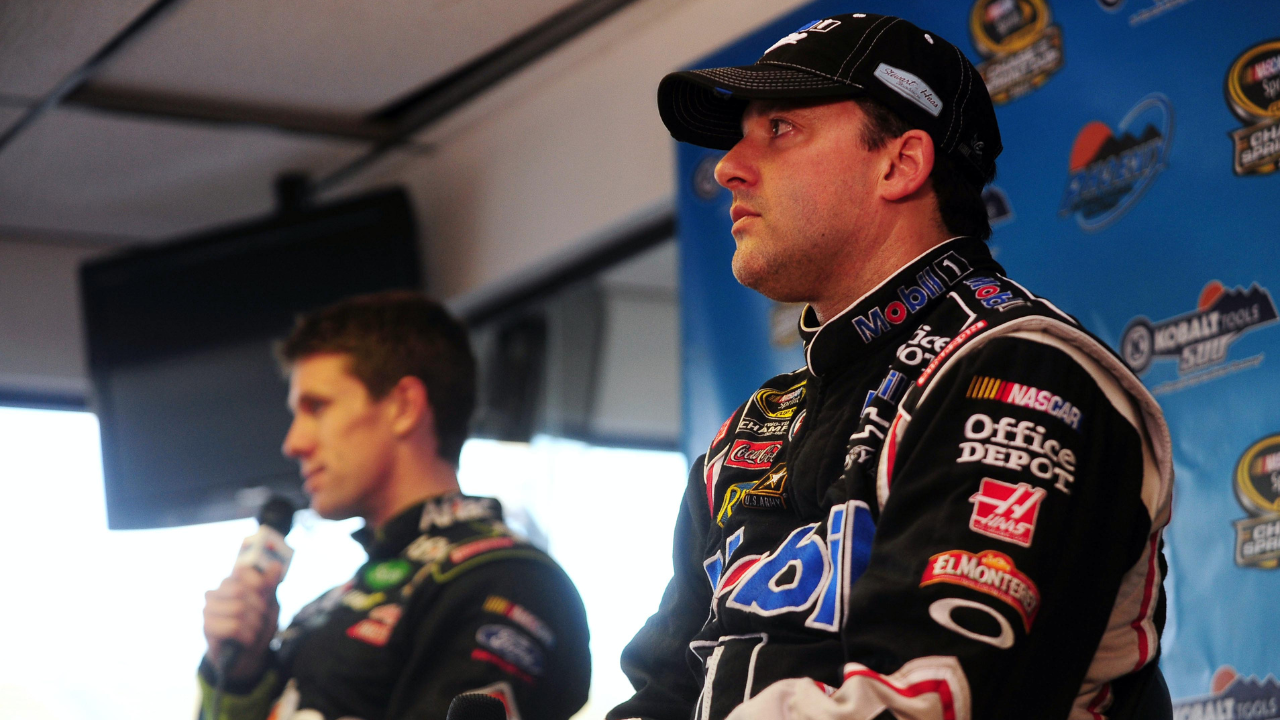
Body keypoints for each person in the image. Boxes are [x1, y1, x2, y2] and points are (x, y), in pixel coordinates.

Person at [609, 13, 1173, 720]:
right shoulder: (750, 431)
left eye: (780, 129)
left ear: (900, 163)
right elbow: (661, 698)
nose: (727, 166)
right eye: (739, 134)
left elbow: (929, 700)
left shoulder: (1021, 371)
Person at [199, 292, 591, 720]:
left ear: (404, 406)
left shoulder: (501, 579)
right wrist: (243, 675)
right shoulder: (333, 603)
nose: (293, 444)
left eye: (318, 407)